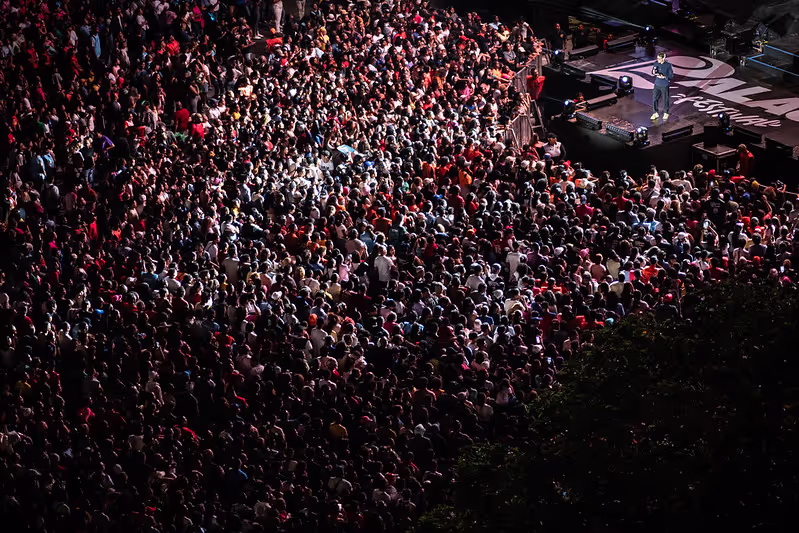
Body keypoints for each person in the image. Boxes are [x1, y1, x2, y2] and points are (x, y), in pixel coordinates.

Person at [651, 52, 674, 120]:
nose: (658, 60)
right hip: (657, 83)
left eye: (659, 58)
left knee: (665, 99)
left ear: (663, 58)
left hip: (664, 84)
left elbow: (671, 75)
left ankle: (666, 113)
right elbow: (653, 71)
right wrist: (654, 72)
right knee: (654, 98)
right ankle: (655, 113)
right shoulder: (656, 63)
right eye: (657, 58)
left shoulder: (668, 65)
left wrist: (664, 76)